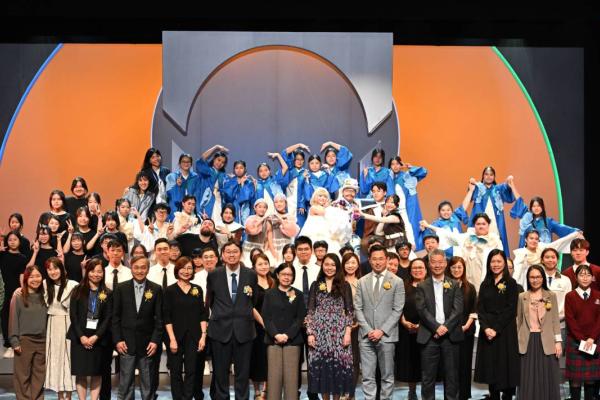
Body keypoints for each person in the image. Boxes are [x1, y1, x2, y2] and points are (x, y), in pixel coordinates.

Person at [206, 240, 259, 399]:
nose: (231, 255)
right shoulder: (214, 274)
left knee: (243, 372)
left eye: (235, 251)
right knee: (220, 372)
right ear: (222, 255)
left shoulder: (251, 274)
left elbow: (254, 300)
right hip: (220, 329)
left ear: (240, 254)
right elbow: (210, 300)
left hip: (244, 329)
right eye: (228, 252)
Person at [354, 244, 405, 399]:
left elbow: (398, 310)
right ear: (369, 260)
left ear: (387, 259)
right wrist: (369, 330)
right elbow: (358, 308)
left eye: (381, 259)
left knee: (387, 376)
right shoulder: (362, 281)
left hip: (387, 336)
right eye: (374, 259)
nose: (378, 262)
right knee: (367, 377)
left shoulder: (397, 281)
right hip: (366, 336)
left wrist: (381, 331)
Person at [415, 250, 464, 400]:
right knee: (428, 377)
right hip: (429, 336)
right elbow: (421, 310)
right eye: (434, 262)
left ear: (445, 263)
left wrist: (445, 327)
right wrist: (436, 327)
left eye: (440, 262)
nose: (437, 265)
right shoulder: (422, 285)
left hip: (450, 336)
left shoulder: (454, 284)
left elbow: (458, 310)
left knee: (451, 376)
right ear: (429, 264)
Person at [112, 255, 163, 400]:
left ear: (148, 269)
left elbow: (159, 319)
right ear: (131, 269)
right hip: (126, 343)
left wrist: (155, 341)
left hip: (148, 344)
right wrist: (118, 340)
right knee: (126, 383)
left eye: (143, 267)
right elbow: (115, 317)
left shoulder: (156, 289)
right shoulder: (121, 288)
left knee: (148, 384)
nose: (140, 271)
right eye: (136, 267)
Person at [306, 253, 355, 399]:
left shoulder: (345, 285)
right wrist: (310, 333)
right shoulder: (315, 285)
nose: (329, 268)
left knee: (338, 369)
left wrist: (347, 333)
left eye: (333, 265)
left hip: (339, 333)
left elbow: (349, 311)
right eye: (326, 264)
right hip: (320, 334)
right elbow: (310, 311)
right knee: (323, 370)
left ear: (338, 267)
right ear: (322, 266)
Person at [474, 249, 520, 400]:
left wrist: (495, 329)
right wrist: (486, 327)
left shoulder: (511, 283)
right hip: (487, 331)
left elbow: (511, 309)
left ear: (504, 264)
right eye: (493, 261)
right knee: (490, 367)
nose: (496, 264)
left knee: (506, 366)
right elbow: (480, 309)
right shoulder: (485, 284)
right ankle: (493, 396)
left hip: (504, 331)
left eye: (499, 261)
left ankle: (507, 396)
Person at [163, 257, 208, 400]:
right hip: (174, 336)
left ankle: (188, 397)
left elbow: (202, 314)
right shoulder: (169, 290)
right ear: (177, 270)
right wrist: (172, 339)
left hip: (194, 336)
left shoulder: (197, 289)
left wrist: (203, 336)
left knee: (191, 370)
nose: (186, 271)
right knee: (175, 371)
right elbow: (166, 317)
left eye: (189, 268)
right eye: (183, 268)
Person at [422, 212, 503, 292]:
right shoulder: (467, 237)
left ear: (488, 225)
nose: (481, 226)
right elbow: (448, 235)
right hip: (469, 275)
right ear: (474, 225)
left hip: (488, 276)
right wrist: (428, 226)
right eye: (478, 224)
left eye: (483, 224)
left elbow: (501, 260)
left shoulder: (495, 240)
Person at [68, 258, 113, 400]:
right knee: (80, 373)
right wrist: (81, 336)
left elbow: (108, 318)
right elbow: (73, 315)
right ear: (87, 272)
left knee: (97, 373)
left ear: (103, 273)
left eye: (99, 271)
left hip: (98, 339)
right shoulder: (77, 290)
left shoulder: (108, 292)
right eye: (92, 271)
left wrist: (96, 336)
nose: (96, 274)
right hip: (79, 338)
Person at [262, 262, 307, 400]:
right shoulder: (269, 294)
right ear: (277, 275)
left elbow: (300, 318)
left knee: (291, 380)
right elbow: (266, 317)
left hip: (292, 341)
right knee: (274, 379)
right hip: (273, 340)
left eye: (290, 275)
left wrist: (287, 335)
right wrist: (276, 334)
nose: (286, 277)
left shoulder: (298, 294)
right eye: (283, 274)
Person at [516, 264, 562, 400]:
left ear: (543, 278)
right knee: (527, 376)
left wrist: (558, 341)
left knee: (547, 376)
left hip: (546, 341)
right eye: (532, 277)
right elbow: (518, 321)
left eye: (538, 277)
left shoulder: (551, 295)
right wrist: (516, 341)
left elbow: (555, 320)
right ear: (528, 278)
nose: (535, 280)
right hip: (527, 340)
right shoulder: (522, 296)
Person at [9, 265, 48, 400]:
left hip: (42, 341)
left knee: (39, 375)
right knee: (22, 375)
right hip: (24, 341)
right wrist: (14, 341)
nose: (35, 279)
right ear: (26, 279)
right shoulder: (18, 296)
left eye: (38, 276)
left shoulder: (45, 296)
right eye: (31, 277)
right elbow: (13, 319)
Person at [508, 180, 580, 248]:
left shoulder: (548, 222)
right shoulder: (527, 217)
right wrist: (512, 186)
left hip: (542, 253)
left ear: (543, 207)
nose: (536, 208)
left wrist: (575, 231)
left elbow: (562, 228)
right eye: (534, 206)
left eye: (538, 206)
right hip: (526, 253)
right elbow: (519, 200)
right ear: (531, 208)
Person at [44, 257, 78, 398]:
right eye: (49, 269)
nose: (53, 272)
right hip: (53, 325)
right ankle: (59, 395)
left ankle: (68, 395)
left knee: (68, 359)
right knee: (56, 359)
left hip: (69, 324)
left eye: (56, 268)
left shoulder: (73, 285)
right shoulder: (45, 285)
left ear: (62, 269)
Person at [565, 264, 600, 400]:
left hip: (594, 341)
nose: (585, 278)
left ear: (592, 278)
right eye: (582, 275)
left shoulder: (598, 295)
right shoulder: (570, 296)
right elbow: (570, 320)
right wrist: (582, 340)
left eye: (588, 275)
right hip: (575, 341)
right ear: (576, 277)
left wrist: (591, 338)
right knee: (575, 379)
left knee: (590, 379)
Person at [146, 238, 176, 396]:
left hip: (174, 322)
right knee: (152, 360)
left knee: (175, 360)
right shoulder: (149, 272)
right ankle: (151, 393)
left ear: (170, 251)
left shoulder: (178, 270)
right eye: (159, 249)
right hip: (154, 323)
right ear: (155, 252)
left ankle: (178, 394)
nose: (163, 251)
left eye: (165, 248)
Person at [395, 258, 427, 400]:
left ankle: (426, 393)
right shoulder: (403, 286)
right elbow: (397, 306)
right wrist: (403, 321)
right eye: (414, 268)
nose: (417, 270)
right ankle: (412, 391)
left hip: (427, 330)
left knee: (426, 363)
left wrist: (422, 325)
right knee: (410, 363)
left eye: (420, 267)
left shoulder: (431, 286)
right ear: (410, 270)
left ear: (426, 269)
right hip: (406, 330)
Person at [447, 256, 477, 400]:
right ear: (449, 269)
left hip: (466, 331)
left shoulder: (470, 288)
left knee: (465, 365)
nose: (456, 270)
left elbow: (474, 310)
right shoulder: (445, 286)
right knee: (450, 366)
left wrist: (466, 326)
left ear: (464, 269)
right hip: (448, 332)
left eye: (459, 267)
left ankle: (464, 395)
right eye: (454, 267)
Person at [466, 167, 516, 253]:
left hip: (495, 222)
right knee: (478, 246)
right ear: (483, 176)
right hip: (480, 222)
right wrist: (472, 182)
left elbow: (507, 189)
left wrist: (508, 182)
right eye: (486, 174)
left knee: (495, 245)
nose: (489, 176)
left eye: (491, 175)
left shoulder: (498, 189)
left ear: (494, 177)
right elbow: (469, 196)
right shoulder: (478, 187)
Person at [512, 228, 582, 288]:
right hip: (526, 283)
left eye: (536, 239)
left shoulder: (541, 248)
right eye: (531, 238)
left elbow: (558, 244)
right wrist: (513, 287)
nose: (534, 241)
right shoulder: (521, 254)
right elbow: (517, 273)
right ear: (526, 239)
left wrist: (574, 235)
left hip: (543, 283)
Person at [388, 156, 427, 250]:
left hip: (409, 206)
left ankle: (414, 248)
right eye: (393, 164)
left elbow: (424, 172)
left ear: (401, 165)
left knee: (412, 225)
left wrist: (411, 168)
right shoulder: (389, 177)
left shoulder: (406, 175)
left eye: (397, 164)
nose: (395, 166)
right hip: (395, 207)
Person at [299, 187, 352, 256]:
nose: (322, 198)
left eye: (325, 196)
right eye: (320, 196)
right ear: (315, 197)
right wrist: (330, 207)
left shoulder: (328, 208)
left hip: (327, 233)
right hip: (315, 234)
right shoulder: (313, 208)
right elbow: (324, 212)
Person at [251, 253, 275, 399]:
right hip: (256, 326)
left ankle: (266, 390)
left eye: (266, 263)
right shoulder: (251, 283)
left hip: (273, 327)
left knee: (269, 359)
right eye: (260, 264)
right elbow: (250, 306)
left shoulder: (274, 281)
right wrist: (263, 323)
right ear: (254, 266)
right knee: (256, 358)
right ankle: (257, 391)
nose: (264, 266)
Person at [0, 230, 27, 358]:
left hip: (17, 291)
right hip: (5, 291)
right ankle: (8, 344)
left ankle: (17, 343)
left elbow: (22, 275)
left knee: (18, 318)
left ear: (19, 241)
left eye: (15, 239)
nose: (12, 242)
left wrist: (23, 290)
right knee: (5, 317)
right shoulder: (2, 255)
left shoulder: (23, 258)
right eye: (10, 240)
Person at [541, 247, 572, 341]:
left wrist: (556, 318)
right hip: (539, 325)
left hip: (560, 325)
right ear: (542, 260)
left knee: (558, 350)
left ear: (557, 260)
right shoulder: (537, 278)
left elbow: (568, 304)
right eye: (547, 257)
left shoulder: (565, 280)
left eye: (553, 257)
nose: (550, 260)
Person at [342, 252, 362, 396]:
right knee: (341, 360)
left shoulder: (362, 282)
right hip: (340, 326)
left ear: (358, 264)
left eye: (353, 262)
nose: (350, 265)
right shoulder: (338, 282)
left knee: (354, 360)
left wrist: (358, 322)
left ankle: (351, 393)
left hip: (358, 326)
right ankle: (342, 391)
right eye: (347, 262)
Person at [195, 144, 229, 225]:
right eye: (218, 160)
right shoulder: (207, 170)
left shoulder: (223, 175)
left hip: (219, 202)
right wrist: (216, 147)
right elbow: (202, 159)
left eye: (223, 162)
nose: (220, 163)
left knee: (218, 225)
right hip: (207, 202)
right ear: (214, 159)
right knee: (207, 224)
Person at [278, 143, 309, 227]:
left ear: (304, 161)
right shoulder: (290, 172)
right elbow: (284, 153)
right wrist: (299, 145)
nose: (299, 161)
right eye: (297, 159)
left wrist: (302, 204)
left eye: (301, 159)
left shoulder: (305, 172)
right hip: (288, 202)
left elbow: (306, 190)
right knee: (288, 226)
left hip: (300, 205)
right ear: (293, 160)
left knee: (300, 226)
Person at [243, 199, 276, 266]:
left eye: (264, 207)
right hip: (249, 248)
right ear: (255, 208)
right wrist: (263, 219)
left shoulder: (268, 221)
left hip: (260, 248)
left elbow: (268, 239)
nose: (262, 209)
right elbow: (251, 230)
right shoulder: (250, 218)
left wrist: (265, 250)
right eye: (260, 207)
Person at [166, 153, 199, 220]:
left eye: (188, 162)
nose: (186, 163)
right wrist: (177, 186)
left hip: (191, 211)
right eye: (183, 161)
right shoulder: (172, 176)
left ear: (191, 164)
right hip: (175, 210)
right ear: (179, 163)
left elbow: (197, 195)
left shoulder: (196, 177)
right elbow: (170, 196)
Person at [268, 194, 299, 264]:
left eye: (281, 201)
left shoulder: (290, 217)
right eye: (276, 202)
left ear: (285, 203)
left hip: (288, 248)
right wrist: (273, 252)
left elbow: (292, 233)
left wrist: (281, 221)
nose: (278, 204)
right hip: (275, 248)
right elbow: (269, 235)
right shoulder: (271, 217)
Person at [223, 160, 256, 225]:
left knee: (245, 227)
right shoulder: (229, 182)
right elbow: (229, 197)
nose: (239, 170)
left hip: (245, 209)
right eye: (236, 168)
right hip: (232, 209)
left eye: (241, 168)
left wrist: (243, 184)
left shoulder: (249, 183)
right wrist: (237, 183)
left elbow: (247, 198)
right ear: (234, 170)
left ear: (245, 169)